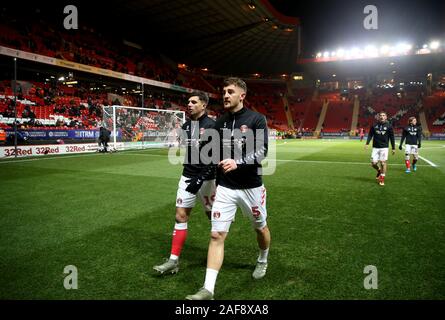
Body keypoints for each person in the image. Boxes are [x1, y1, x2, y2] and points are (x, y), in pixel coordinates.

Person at [186, 77, 270, 300]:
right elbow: (212, 154)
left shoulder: (256, 119)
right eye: (223, 91)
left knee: (260, 228)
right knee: (216, 234)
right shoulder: (220, 122)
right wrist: (201, 174)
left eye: (230, 91)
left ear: (242, 95)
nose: (225, 95)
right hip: (225, 187)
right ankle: (208, 289)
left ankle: (262, 259)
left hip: (251, 187)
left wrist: (238, 162)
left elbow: (262, 151)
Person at [153, 92, 216, 275]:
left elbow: (216, 157)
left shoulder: (212, 126)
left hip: (207, 180)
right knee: (180, 216)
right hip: (187, 176)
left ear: (203, 105)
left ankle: (216, 249)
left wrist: (201, 178)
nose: (189, 104)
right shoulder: (187, 125)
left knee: (213, 218)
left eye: (193, 102)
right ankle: (173, 261)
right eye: (188, 101)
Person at [365, 111, 395, 186]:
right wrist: (367, 143)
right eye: (380, 115)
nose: (382, 116)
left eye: (383, 115)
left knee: (383, 162)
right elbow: (370, 134)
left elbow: (392, 137)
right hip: (375, 147)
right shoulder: (374, 125)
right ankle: (379, 170)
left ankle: (382, 178)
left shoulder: (389, 126)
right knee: (373, 163)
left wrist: (393, 148)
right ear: (378, 117)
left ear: (386, 117)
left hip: (384, 147)